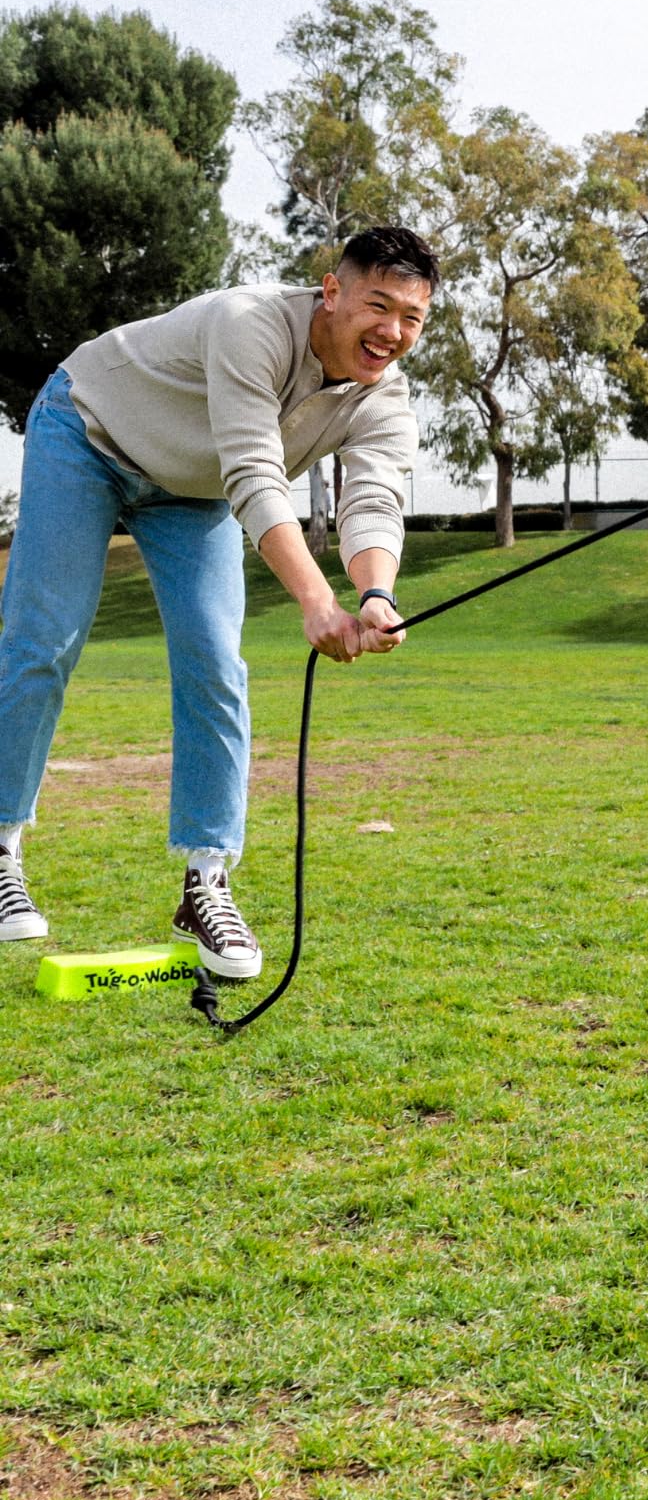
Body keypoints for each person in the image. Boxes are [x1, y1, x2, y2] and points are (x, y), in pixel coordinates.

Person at [0, 227, 439, 980]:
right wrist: (312, 601)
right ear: (330, 292)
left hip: (188, 490)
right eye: (379, 306)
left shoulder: (384, 395)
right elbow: (255, 474)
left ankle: (205, 883)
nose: (392, 333)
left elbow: (374, 499)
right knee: (47, 639)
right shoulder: (250, 325)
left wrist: (373, 595)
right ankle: (1, 844)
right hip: (89, 429)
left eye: (413, 319)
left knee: (214, 663)